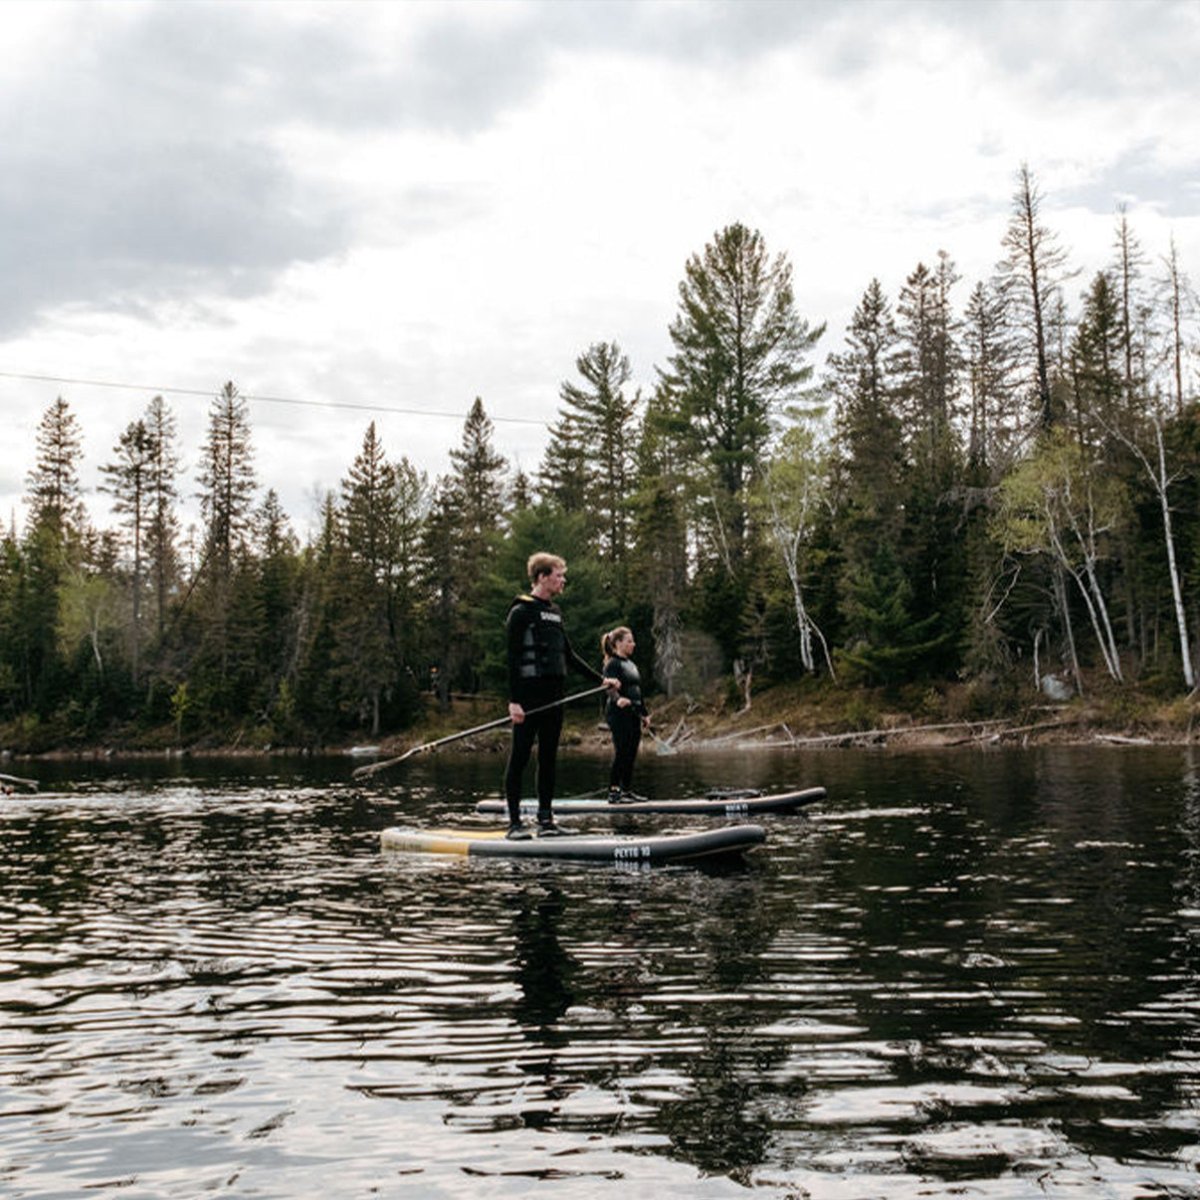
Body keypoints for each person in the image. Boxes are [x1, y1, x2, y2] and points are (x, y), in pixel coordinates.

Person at [504, 552, 618, 839]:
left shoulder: (554, 613)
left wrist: (601, 679)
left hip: (554, 696)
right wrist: (514, 701)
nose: (563, 580)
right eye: (558, 575)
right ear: (542, 577)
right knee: (519, 757)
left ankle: (546, 821)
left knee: (549, 758)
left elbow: (568, 656)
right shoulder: (521, 612)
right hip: (528, 697)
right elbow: (513, 659)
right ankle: (514, 824)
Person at [601, 626, 651, 803]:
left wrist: (644, 714)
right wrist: (617, 699)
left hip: (633, 714)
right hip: (618, 714)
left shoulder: (631, 665)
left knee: (631, 753)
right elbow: (608, 688)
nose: (633, 644)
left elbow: (637, 691)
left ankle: (627, 791)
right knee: (622, 752)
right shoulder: (612, 664)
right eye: (629, 641)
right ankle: (614, 792)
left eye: (633, 641)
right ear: (618, 643)